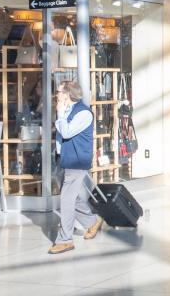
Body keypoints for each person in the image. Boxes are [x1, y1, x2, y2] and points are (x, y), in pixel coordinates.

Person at [49, 81, 101, 255]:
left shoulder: (83, 113)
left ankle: (65, 240)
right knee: (71, 196)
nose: (56, 94)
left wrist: (60, 114)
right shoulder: (67, 110)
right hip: (63, 158)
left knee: (66, 198)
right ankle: (92, 221)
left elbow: (67, 132)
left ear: (68, 94)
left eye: (59, 91)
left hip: (76, 161)